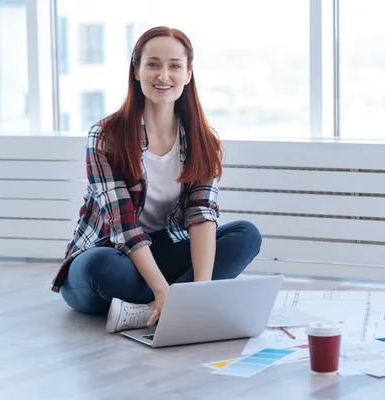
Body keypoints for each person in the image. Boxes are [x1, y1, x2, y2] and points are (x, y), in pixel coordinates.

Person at [50, 26, 262, 334]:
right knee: (102, 267)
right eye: (153, 64)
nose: (164, 75)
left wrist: (200, 292)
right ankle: (164, 298)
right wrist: (162, 289)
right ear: (136, 71)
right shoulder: (105, 136)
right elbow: (125, 228)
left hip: (163, 249)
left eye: (175, 65)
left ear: (188, 74)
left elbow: (201, 215)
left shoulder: (204, 141)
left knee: (246, 235)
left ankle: (161, 306)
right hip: (111, 257)